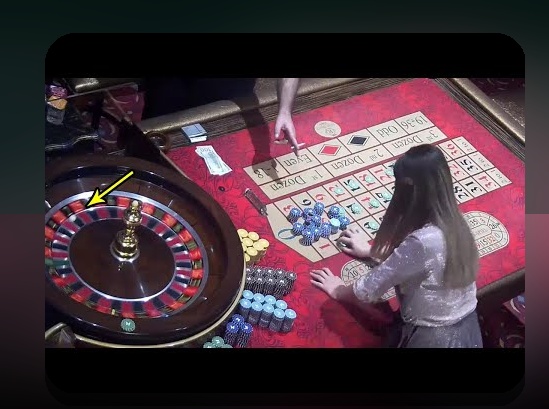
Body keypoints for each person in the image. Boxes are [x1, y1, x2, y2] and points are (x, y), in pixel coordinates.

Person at [310, 144, 483, 348]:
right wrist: (371, 251)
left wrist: (338, 290)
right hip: (468, 326)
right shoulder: (456, 220)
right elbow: (424, 259)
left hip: (433, 339)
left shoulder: (423, 241)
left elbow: (369, 288)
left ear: (410, 188)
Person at [141, 77, 303, 153]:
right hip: (175, 83)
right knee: (154, 141)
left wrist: (284, 111)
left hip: (230, 88)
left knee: (222, 149)